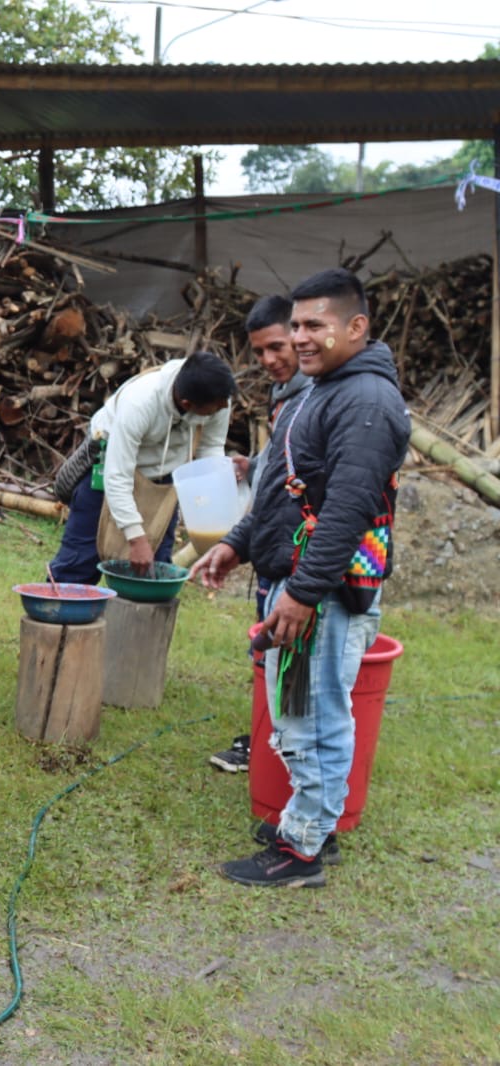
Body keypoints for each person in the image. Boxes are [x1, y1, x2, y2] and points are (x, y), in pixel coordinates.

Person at [191, 268, 410, 887]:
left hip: (327, 587)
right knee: (296, 708)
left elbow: (346, 509)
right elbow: (284, 488)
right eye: (297, 325)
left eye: (317, 325)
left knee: (315, 715)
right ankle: (309, 822)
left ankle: (304, 850)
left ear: (356, 327)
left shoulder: (365, 402)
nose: (302, 338)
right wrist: (237, 543)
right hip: (301, 577)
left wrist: (304, 592)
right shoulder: (321, 389)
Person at [208, 295, 313, 774]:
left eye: (277, 347)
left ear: (299, 334)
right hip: (272, 551)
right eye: (260, 353)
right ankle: (267, 737)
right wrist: (254, 469)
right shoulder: (286, 395)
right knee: (269, 655)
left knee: (294, 665)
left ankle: (282, 750)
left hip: (300, 561)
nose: (270, 360)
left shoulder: (319, 397)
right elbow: (280, 477)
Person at [48, 351, 239, 585]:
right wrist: (136, 539)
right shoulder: (140, 402)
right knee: (77, 566)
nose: (222, 410)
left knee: (153, 572)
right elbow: (117, 476)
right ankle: (56, 617)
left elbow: (211, 447)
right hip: (108, 469)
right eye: (214, 409)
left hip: (163, 480)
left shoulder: (218, 399)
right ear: (188, 404)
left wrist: (213, 509)